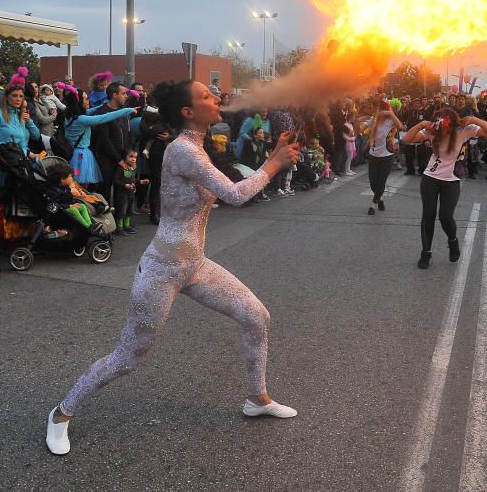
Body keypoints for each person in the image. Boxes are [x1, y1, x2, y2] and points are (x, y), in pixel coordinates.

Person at [46, 80, 301, 456]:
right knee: (129, 357)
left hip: (195, 265)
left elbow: (230, 184)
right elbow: (234, 195)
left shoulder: (198, 147)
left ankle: (257, 399)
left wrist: (273, 154)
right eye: (205, 96)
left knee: (257, 317)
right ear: (188, 112)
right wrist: (274, 163)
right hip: (162, 270)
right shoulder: (184, 151)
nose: (216, 98)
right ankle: (61, 413)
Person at [403, 109, 487, 268]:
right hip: (430, 178)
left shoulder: (463, 131)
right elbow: (407, 139)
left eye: (446, 126)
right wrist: (421, 124)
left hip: (451, 180)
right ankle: (426, 252)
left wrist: (474, 119)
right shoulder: (432, 131)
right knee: (428, 215)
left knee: (445, 216)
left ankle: (453, 241)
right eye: (440, 126)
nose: (443, 130)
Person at [57, 85, 134, 187]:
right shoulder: (81, 119)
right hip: (81, 157)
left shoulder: (70, 116)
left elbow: (90, 111)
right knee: (81, 183)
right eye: (86, 98)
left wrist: (105, 105)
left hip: (74, 154)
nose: (88, 100)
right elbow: (104, 117)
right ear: (79, 102)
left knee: (76, 181)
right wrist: (127, 110)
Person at [0, 84, 42, 193]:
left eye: (20, 96)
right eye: (14, 95)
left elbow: (36, 136)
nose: (18, 99)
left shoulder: (20, 115)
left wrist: (29, 121)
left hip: (19, 162)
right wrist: (7, 148)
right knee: (3, 199)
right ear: (7, 97)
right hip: (1, 161)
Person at [91, 82, 132, 202]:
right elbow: (104, 140)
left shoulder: (123, 112)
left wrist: (128, 155)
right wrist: (118, 159)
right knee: (105, 190)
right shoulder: (102, 112)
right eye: (123, 93)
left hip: (123, 159)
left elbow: (127, 134)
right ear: (114, 95)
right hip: (107, 159)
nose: (126, 96)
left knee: (122, 191)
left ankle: (118, 218)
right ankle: (106, 217)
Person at [365, 100, 404, 215]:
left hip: (387, 155)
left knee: (381, 181)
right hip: (373, 155)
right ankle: (380, 198)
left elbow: (400, 126)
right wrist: (359, 121)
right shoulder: (374, 120)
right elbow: (362, 129)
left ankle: (373, 205)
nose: (373, 110)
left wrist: (391, 114)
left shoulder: (390, 121)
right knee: (373, 183)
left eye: (375, 108)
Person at [44, 164, 102, 236]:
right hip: (60, 211)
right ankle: (87, 228)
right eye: (70, 176)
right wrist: (69, 206)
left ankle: (90, 225)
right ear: (62, 179)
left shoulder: (66, 188)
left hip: (68, 206)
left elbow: (70, 198)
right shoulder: (54, 191)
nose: (72, 179)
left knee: (82, 206)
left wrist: (74, 204)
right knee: (74, 210)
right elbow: (55, 204)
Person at [112, 148, 147, 235]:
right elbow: (115, 180)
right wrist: (124, 185)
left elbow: (133, 179)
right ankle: (119, 227)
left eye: (135, 157)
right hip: (122, 194)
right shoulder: (121, 168)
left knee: (129, 210)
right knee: (122, 211)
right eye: (131, 156)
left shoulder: (132, 168)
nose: (133, 159)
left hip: (131, 193)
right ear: (124, 157)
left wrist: (140, 182)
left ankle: (126, 226)